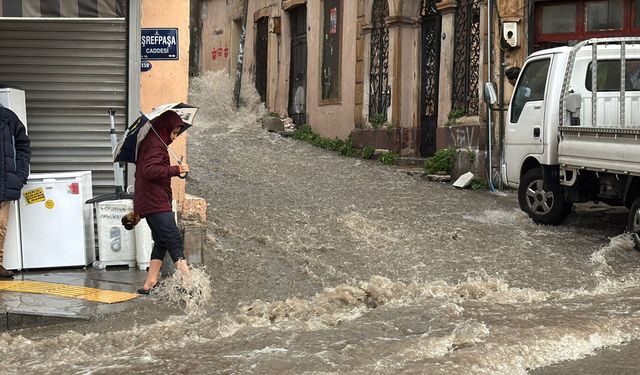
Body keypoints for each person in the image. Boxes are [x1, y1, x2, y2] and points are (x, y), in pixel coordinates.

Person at [135, 110, 190, 294]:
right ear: (165, 128)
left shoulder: (155, 143)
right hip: (155, 202)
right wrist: (176, 169)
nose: (174, 138)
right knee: (174, 238)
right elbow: (150, 171)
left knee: (161, 241)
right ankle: (188, 282)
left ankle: (149, 283)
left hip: (153, 200)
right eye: (174, 132)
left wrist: (176, 170)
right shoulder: (154, 145)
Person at [0, 104, 30, 278]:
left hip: (4, 182)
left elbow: (23, 147)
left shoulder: (8, 117)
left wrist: (19, 175)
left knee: (1, 226)